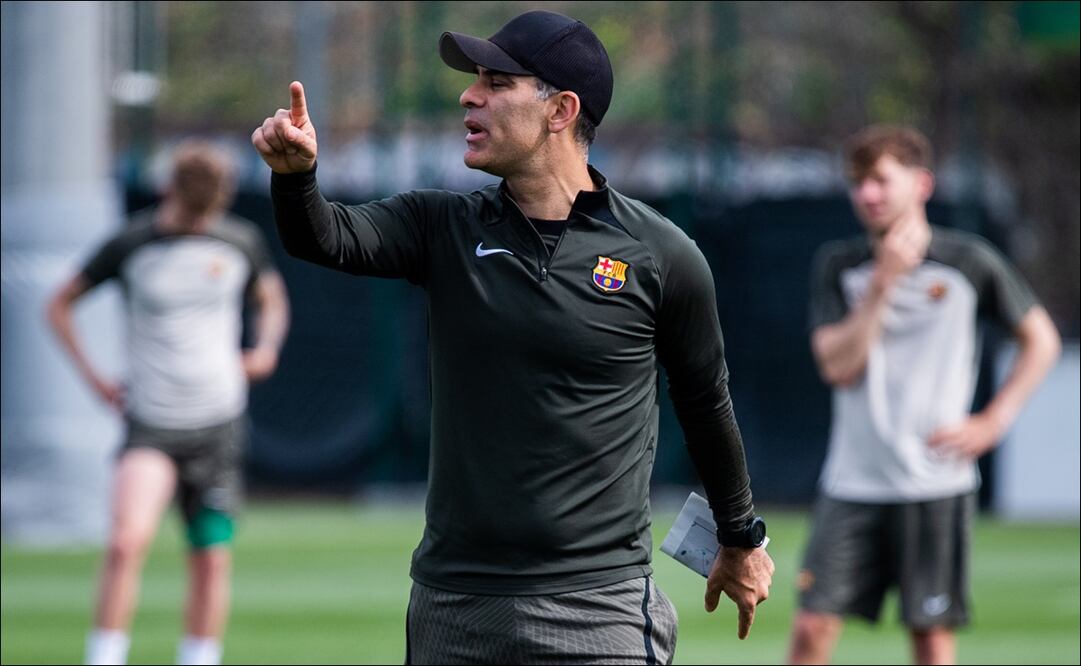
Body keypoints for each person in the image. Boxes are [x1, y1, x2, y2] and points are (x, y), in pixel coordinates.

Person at [252, 9, 773, 665]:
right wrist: (295, 177)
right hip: (454, 605)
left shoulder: (661, 254)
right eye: (475, 80)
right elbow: (323, 237)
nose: (470, 96)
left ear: (560, 109)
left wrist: (738, 537)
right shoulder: (438, 225)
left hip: (599, 608)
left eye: (497, 82)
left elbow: (705, 402)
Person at [787, 125, 1062, 665]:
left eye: (881, 180)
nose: (867, 194)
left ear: (922, 184)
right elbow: (837, 367)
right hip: (853, 481)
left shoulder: (969, 263)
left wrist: (994, 420)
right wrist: (885, 282)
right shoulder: (840, 267)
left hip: (936, 482)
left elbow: (1042, 341)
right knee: (811, 628)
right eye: (858, 182)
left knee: (931, 639)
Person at [47, 140, 291, 666]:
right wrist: (96, 380)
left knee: (210, 558)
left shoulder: (238, 242)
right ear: (168, 191)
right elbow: (60, 305)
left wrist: (265, 349)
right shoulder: (132, 244)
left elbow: (272, 299)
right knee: (125, 541)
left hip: (218, 423)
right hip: (152, 423)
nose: (202, 219)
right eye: (193, 207)